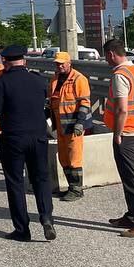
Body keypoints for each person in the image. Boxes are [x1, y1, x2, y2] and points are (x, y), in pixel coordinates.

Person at [0, 43, 56, 241]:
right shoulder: (39, 81)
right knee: (41, 178)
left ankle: (22, 230)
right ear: (25, 60)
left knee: (15, 182)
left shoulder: (2, 82)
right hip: (39, 137)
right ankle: (47, 217)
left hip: (14, 138)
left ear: (5, 62)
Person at [102, 38, 134, 237]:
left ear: (111, 54)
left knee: (133, 180)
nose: (106, 61)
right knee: (129, 178)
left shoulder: (120, 75)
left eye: (106, 57)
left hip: (127, 134)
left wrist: (117, 133)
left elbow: (122, 109)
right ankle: (132, 216)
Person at [48, 51, 92, 200]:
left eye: (62, 63)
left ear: (69, 63)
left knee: (74, 157)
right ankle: (70, 187)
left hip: (73, 126)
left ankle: (77, 189)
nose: (59, 66)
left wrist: (80, 123)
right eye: (57, 63)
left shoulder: (78, 79)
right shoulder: (55, 79)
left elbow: (84, 103)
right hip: (60, 125)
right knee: (64, 158)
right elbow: (52, 101)